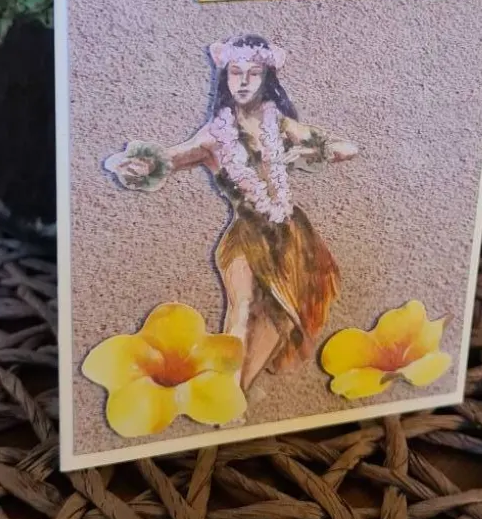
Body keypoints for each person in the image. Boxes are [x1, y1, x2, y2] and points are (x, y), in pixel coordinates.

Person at [105, 35, 358, 390]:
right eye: (235, 72)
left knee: (281, 318)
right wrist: (139, 165)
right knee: (242, 307)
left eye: (253, 74)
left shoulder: (279, 125)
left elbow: (344, 148)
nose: (243, 81)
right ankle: (225, 391)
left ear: (266, 78)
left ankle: (240, 391)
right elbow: (171, 157)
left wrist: (310, 152)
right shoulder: (215, 135)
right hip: (246, 232)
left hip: (290, 233)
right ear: (225, 77)